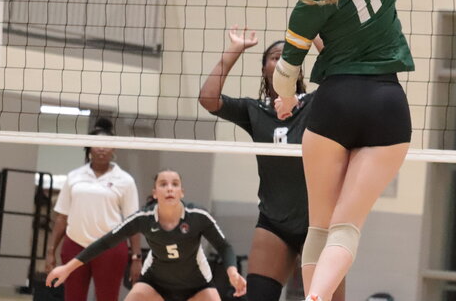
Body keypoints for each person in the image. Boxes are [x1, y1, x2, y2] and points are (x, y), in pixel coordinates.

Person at [272, 0, 421, 301]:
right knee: (346, 226)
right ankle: (317, 297)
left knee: (320, 225)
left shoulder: (310, 3)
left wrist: (284, 99)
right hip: (386, 106)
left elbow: (284, 73)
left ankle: (313, 297)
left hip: (333, 104)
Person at [198, 25, 345, 301]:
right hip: (274, 221)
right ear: (265, 67)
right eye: (275, 57)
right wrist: (235, 48)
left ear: (298, 69)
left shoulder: (316, 103)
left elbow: (342, 79)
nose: (281, 61)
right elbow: (208, 98)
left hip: (319, 222)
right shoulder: (255, 111)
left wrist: (314, 35)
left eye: (288, 57)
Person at [47, 170, 247, 301]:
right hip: (155, 285)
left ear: (182, 192)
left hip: (197, 287)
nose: (169, 188)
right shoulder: (143, 218)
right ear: (155, 193)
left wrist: (231, 272)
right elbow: (106, 242)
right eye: (163, 184)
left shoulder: (198, 216)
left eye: (175, 184)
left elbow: (224, 246)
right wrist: (68, 267)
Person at [45, 117, 142, 301]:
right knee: (73, 298)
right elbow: (61, 217)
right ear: (89, 147)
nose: (101, 148)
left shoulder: (125, 180)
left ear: (114, 149)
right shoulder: (74, 176)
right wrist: (51, 251)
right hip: (75, 245)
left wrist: (136, 257)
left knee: (107, 298)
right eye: (97, 144)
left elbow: (133, 222)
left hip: (110, 248)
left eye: (107, 144)